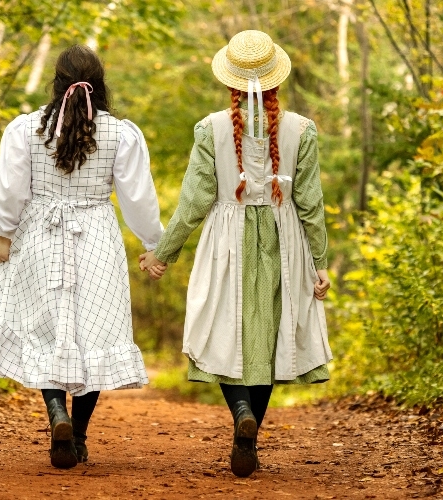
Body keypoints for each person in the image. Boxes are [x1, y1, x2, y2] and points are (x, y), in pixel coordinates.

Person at [0, 45, 163, 469]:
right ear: (99, 84)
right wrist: (151, 243)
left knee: (44, 331)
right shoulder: (120, 133)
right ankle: (80, 437)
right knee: (94, 335)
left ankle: (56, 414)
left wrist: (4, 233)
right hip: (97, 239)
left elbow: (11, 188)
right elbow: (137, 198)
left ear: (56, 83)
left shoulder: (26, 129)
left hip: (39, 236)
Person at [140, 30, 332, 478]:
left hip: (227, 240)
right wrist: (319, 262)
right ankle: (250, 434)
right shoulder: (302, 129)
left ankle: (240, 408)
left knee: (226, 331)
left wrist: (163, 254)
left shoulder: (211, 129)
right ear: (276, 81)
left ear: (229, 81)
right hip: (284, 241)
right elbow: (310, 203)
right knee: (267, 341)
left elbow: (194, 201)